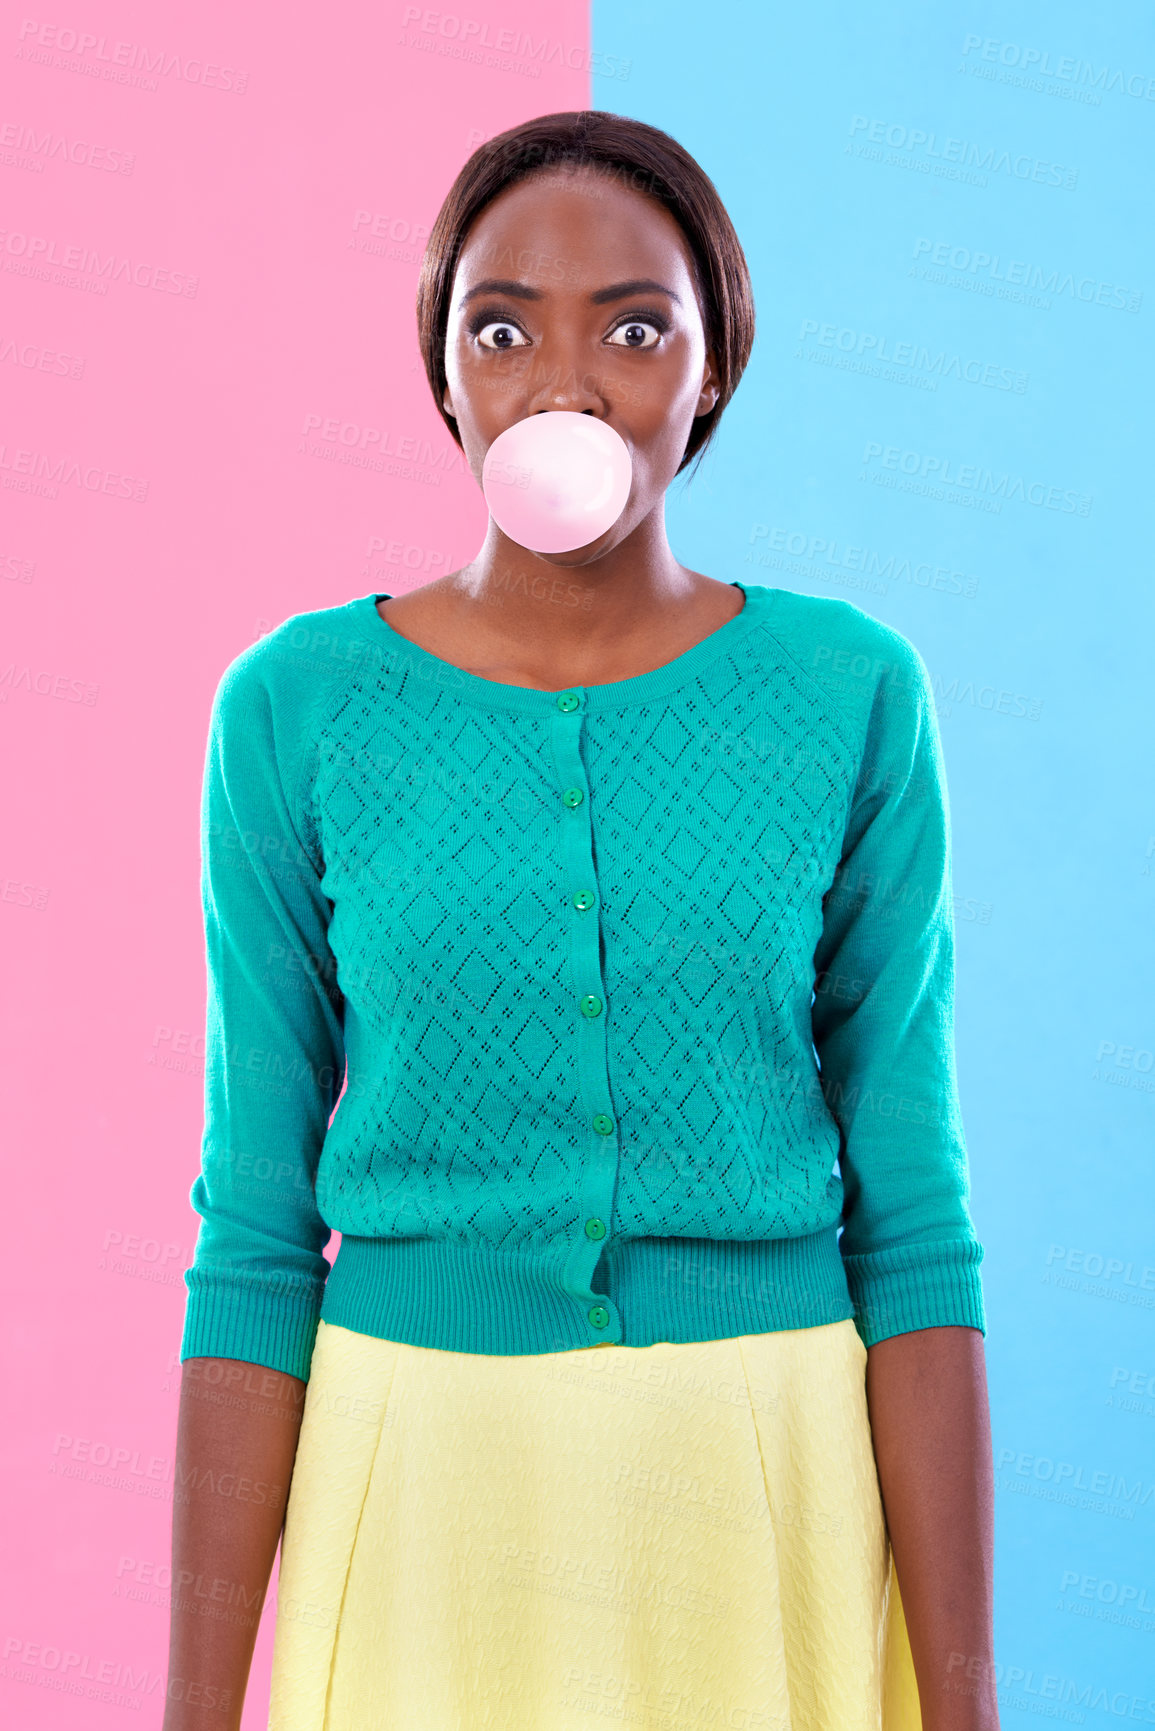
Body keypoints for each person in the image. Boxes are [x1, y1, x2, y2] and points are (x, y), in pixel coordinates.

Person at [165, 110, 1000, 1731]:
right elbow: (256, 1240)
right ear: (444, 375)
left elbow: (916, 1231)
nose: (565, 382)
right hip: (418, 1484)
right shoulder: (295, 710)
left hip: (763, 1478)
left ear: (714, 367)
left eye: (635, 326)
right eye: (502, 326)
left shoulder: (849, 695)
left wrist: (964, 1702)